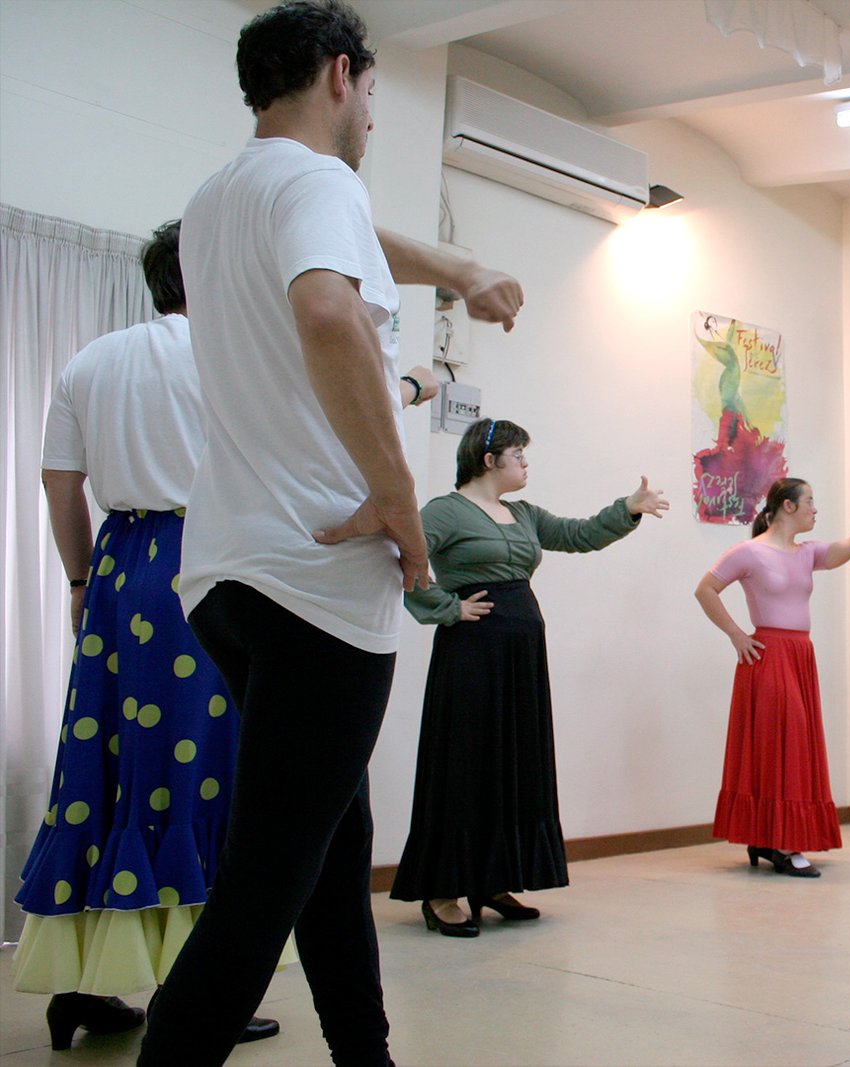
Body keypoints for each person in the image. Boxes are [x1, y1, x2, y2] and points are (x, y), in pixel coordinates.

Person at [138, 3, 522, 1063]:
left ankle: (366, 1051)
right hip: (315, 575)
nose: (373, 122)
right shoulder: (319, 184)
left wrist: (454, 265)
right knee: (266, 879)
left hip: (228, 572)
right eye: (375, 96)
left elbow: (341, 241)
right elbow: (326, 309)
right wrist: (399, 501)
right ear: (343, 75)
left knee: (329, 840)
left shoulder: (222, 194)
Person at [11, 222, 280, 1050]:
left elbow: (61, 481)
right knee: (199, 769)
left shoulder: (94, 359)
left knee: (109, 763)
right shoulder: (232, 355)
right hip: (207, 564)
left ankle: (80, 984)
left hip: (119, 567)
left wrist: (82, 577)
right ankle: (192, 992)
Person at [391, 418, 667, 933]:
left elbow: (578, 534)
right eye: (519, 454)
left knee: (512, 762)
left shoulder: (524, 515)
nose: (526, 463)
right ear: (489, 459)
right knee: (467, 762)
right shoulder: (444, 512)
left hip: (520, 654)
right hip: (472, 653)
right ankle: (442, 891)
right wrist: (444, 608)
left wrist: (627, 509)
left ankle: (494, 878)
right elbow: (401, 555)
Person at [694, 479, 850, 877]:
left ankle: (767, 837)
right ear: (787, 506)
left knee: (789, 745)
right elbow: (706, 589)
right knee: (786, 742)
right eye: (810, 502)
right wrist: (736, 634)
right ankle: (783, 843)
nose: (816, 509)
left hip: (800, 655)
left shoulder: (806, 553)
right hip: (768, 655)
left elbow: (846, 549)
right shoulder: (749, 552)